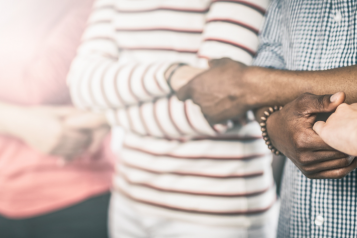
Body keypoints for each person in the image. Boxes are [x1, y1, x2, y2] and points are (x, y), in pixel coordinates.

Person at [68, 0, 279, 237]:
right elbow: (81, 83)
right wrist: (170, 74)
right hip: (129, 201)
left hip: (216, 210)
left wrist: (106, 116)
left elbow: (214, 108)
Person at [176, 0, 357, 236]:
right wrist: (274, 126)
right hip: (295, 223)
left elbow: (230, 96)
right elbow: (269, 62)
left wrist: (248, 83)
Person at [0, 0, 114, 237]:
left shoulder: (86, 7)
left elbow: (39, 87)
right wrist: (19, 122)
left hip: (74, 193)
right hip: (6, 196)